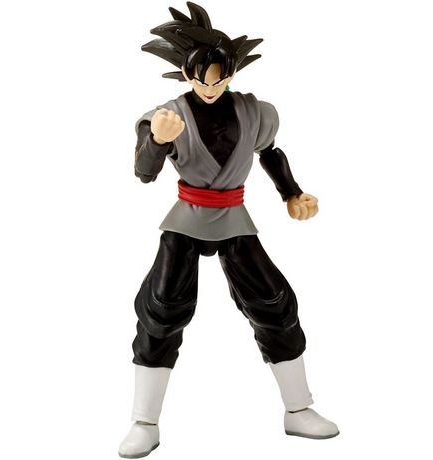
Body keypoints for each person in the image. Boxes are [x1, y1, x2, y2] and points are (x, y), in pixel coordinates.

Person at [119, 3, 339, 457]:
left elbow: (270, 152)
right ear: (187, 73)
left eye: (220, 77)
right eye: (202, 77)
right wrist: (157, 139)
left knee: (274, 303)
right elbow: (143, 173)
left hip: (235, 218)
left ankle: (298, 409)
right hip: (186, 218)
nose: (211, 86)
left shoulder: (254, 112)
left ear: (232, 73)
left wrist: (292, 193)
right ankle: (144, 420)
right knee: (162, 308)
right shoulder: (168, 114)